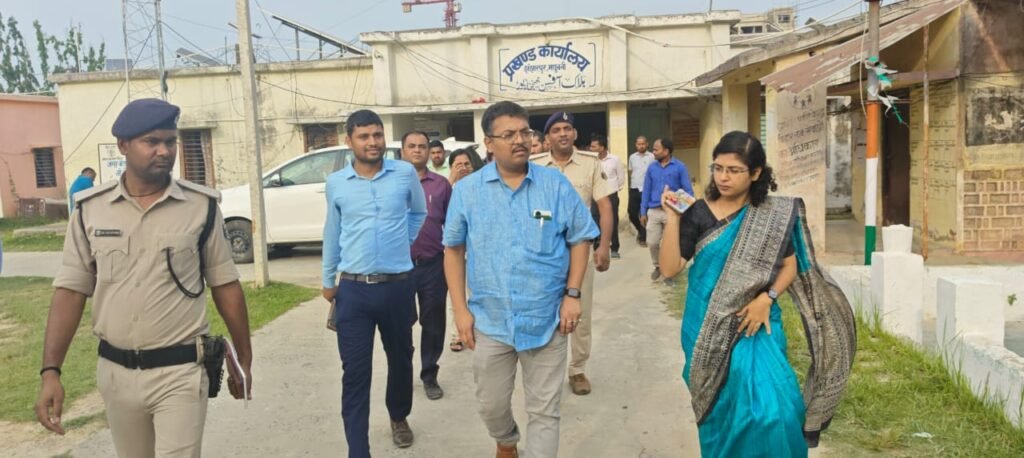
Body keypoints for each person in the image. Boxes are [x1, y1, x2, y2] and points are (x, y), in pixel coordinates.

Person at [35, 98, 253, 457]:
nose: (164, 151)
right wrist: (50, 371)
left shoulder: (201, 208)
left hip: (181, 371)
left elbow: (225, 284)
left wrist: (244, 358)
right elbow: (70, 291)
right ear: (123, 145)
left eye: (170, 141)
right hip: (116, 375)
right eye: (151, 142)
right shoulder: (91, 210)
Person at [658, 131, 856, 458]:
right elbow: (669, 269)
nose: (723, 177)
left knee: (777, 411)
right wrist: (672, 219)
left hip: (758, 324)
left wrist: (768, 298)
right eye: (718, 168)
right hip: (707, 329)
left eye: (734, 170)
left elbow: (790, 266)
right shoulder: (698, 213)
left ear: (755, 173)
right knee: (724, 414)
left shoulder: (771, 216)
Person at [444, 101, 598, 458]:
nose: (520, 140)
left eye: (525, 132)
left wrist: (572, 294)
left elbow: (580, 238)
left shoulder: (554, 185)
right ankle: (506, 441)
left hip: (546, 320)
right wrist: (460, 311)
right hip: (490, 321)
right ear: (488, 142)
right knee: (491, 405)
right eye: (509, 134)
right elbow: (453, 250)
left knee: (545, 411)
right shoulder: (467, 191)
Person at [322, 110, 427, 456]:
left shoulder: (404, 173)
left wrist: (402, 242)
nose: (372, 142)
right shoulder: (337, 183)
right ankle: (358, 449)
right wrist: (328, 279)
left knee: (401, 358)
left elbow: (419, 212)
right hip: (354, 291)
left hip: (398, 286)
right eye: (364, 136)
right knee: (355, 372)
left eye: (377, 135)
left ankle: (398, 415)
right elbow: (332, 232)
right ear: (349, 141)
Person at [533, 111, 612, 396]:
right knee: (544, 309)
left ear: (575, 134)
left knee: (580, 311)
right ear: (547, 137)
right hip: (544, 252)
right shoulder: (535, 165)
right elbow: (529, 209)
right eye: (556, 130)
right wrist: (548, 218)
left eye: (567, 128)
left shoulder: (591, 164)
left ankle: (577, 369)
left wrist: (604, 245)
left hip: (581, 249)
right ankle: (545, 368)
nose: (563, 133)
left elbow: (604, 206)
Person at [401, 130, 453, 401]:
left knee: (433, 323)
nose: (417, 150)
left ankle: (429, 374)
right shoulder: (392, 184)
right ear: (403, 151)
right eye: (412, 146)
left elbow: (452, 225)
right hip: (399, 268)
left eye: (422, 146)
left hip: (433, 264)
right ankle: (402, 372)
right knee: (401, 323)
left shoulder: (441, 185)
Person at [640, 138, 693, 281]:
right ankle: (658, 266)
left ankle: (669, 272)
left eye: (656, 149)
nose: (653, 152)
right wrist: (643, 211)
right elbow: (646, 190)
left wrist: (680, 211)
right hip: (654, 210)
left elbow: (688, 192)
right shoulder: (651, 168)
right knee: (652, 242)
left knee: (670, 243)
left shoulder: (680, 167)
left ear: (666, 151)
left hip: (672, 212)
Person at [589, 134, 625, 259]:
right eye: (591, 146)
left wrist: (614, 189)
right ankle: (598, 245)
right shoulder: (591, 160)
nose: (591, 149)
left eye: (594, 146)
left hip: (611, 195)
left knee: (612, 221)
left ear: (602, 147)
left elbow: (621, 177)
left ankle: (614, 248)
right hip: (595, 195)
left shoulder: (615, 159)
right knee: (595, 218)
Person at [627, 136, 655, 247]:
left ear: (647, 144)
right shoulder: (632, 157)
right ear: (636, 145)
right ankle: (641, 230)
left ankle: (643, 238)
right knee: (632, 213)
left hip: (647, 189)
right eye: (639, 144)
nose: (641, 146)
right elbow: (630, 171)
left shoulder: (652, 157)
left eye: (643, 144)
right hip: (634, 188)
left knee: (645, 214)